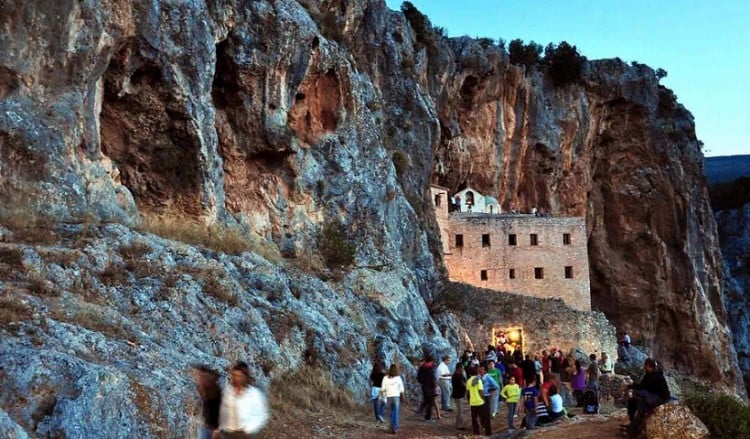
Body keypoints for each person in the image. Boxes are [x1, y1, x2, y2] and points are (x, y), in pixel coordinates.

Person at [216, 361, 269, 438]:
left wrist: (249, 428)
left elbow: (262, 415)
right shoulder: (227, 392)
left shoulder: (254, 394)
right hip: (228, 432)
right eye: (234, 375)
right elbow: (222, 411)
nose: (236, 378)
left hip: (246, 434)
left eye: (239, 376)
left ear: (245, 377)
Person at [623, 358, 671, 437]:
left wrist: (630, 387)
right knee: (632, 401)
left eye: (645, 366)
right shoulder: (649, 373)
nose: (644, 367)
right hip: (652, 394)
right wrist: (630, 386)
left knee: (637, 397)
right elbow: (643, 385)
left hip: (660, 398)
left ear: (648, 366)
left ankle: (632, 430)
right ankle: (631, 419)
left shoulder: (656, 375)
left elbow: (643, 387)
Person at [192, 365, 222, 439]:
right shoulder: (203, 390)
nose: (198, 379)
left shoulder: (215, 392)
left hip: (215, 429)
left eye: (201, 376)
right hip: (205, 427)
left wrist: (217, 430)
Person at [382, 364, 406, 435]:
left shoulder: (385, 378)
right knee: (395, 412)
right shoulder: (398, 378)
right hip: (396, 396)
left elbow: (383, 388)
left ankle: (391, 428)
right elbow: (401, 388)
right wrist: (403, 396)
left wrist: (382, 398)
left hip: (388, 397)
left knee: (391, 412)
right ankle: (395, 428)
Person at [478, 363, 499, 435]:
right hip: (479, 397)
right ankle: (483, 425)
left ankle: (488, 431)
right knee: (481, 413)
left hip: (486, 397)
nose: (480, 369)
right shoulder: (478, 377)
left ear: (485, 370)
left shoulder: (488, 377)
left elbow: (496, 386)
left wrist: (490, 391)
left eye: (481, 368)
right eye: (480, 368)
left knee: (487, 414)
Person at [416, 354, 437, 422]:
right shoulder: (430, 368)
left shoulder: (422, 367)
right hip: (430, 388)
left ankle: (421, 410)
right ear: (431, 361)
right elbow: (432, 379)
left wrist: (423, 382)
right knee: (430, 403)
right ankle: (428, 418)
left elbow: (418, 378)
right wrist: (435, 387)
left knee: (427, 400)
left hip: (424, 386)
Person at [466, 366, 485, 435]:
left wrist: (468, 401)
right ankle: (483, 427)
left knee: (474, 418)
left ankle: (476, 431)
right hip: (480, 401)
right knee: (481, 416)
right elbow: (481, 391)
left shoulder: (468, 381)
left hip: (473, 402)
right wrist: (483, 399)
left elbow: (468, 393)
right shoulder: (478, 380)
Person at [451, 363, 467, 431]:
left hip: (460, 395)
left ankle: (459, 423)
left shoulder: (460, 375)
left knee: (459, 411)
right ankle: (459, 425)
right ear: (459, 369)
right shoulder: (456, 376)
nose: (463, 369)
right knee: (459, 411)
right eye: (462, 368)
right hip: (458, 396)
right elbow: (463, 385)